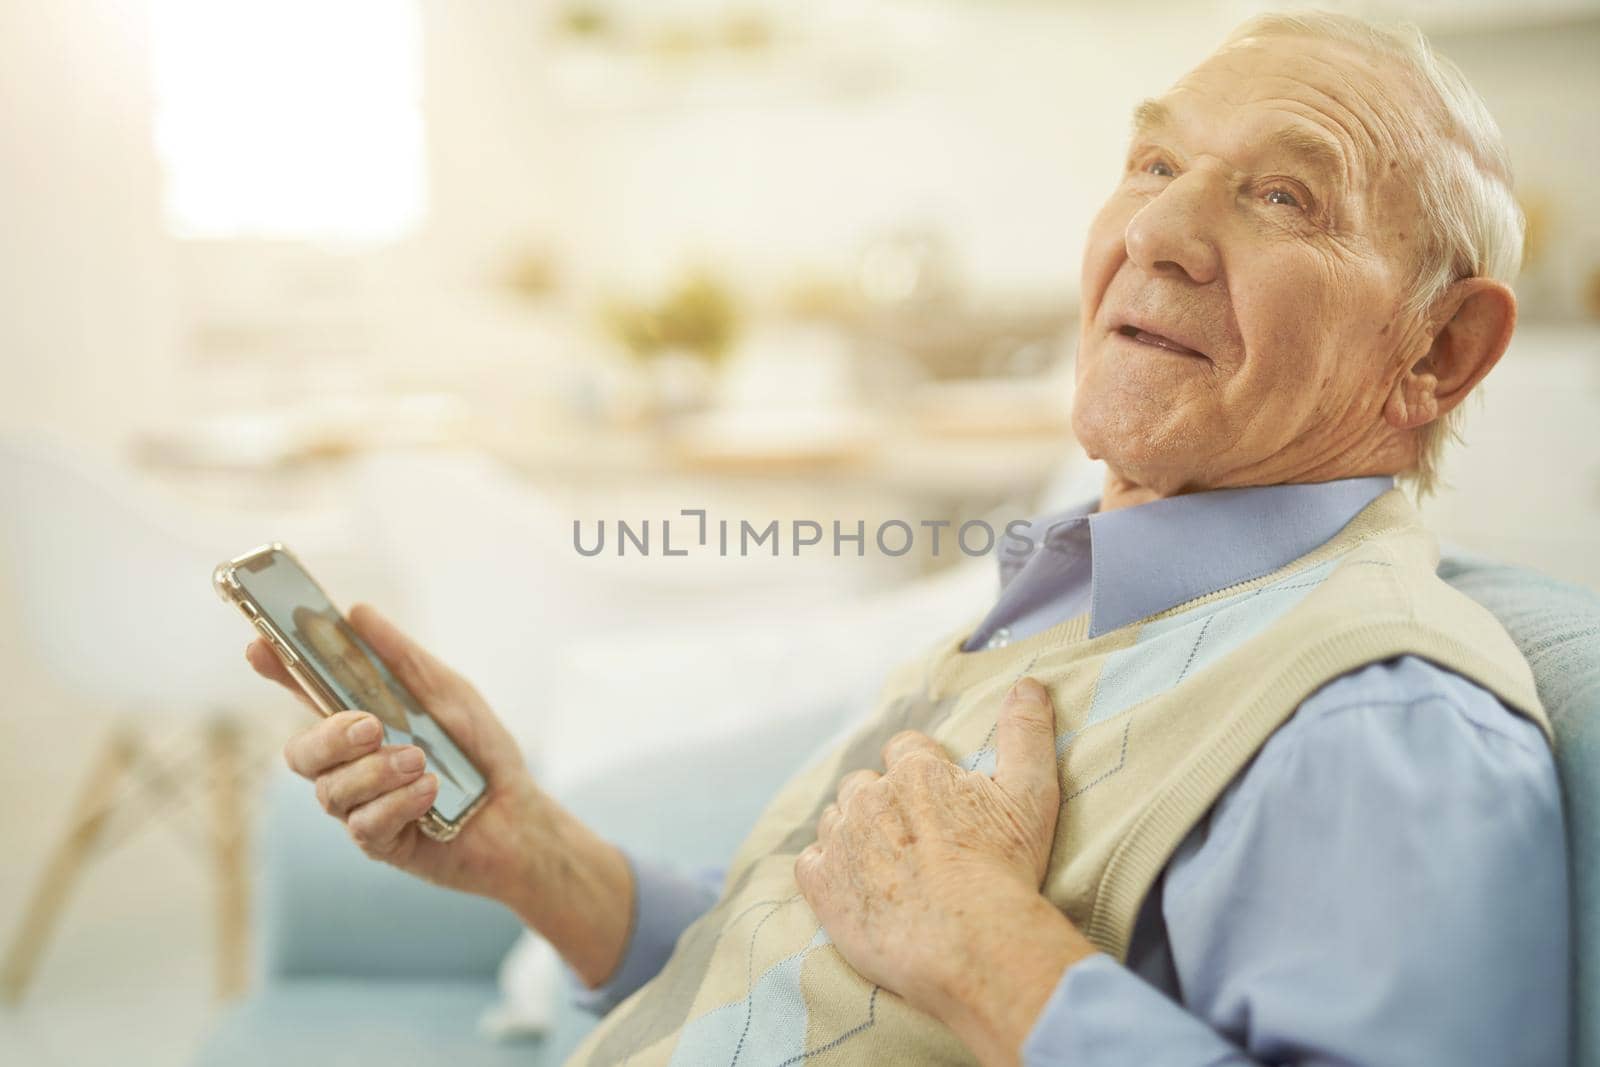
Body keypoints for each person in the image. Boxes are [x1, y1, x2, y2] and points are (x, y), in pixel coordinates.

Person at [245, 11, 1569, 1065]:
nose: (1158, 232)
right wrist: (530, 849)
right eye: (1156, 164)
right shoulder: (1074, 594)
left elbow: (941, 955)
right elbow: (801, 977)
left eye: (1284, 197)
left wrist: (991, 951)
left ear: (1440, 350)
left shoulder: (1382, 728)